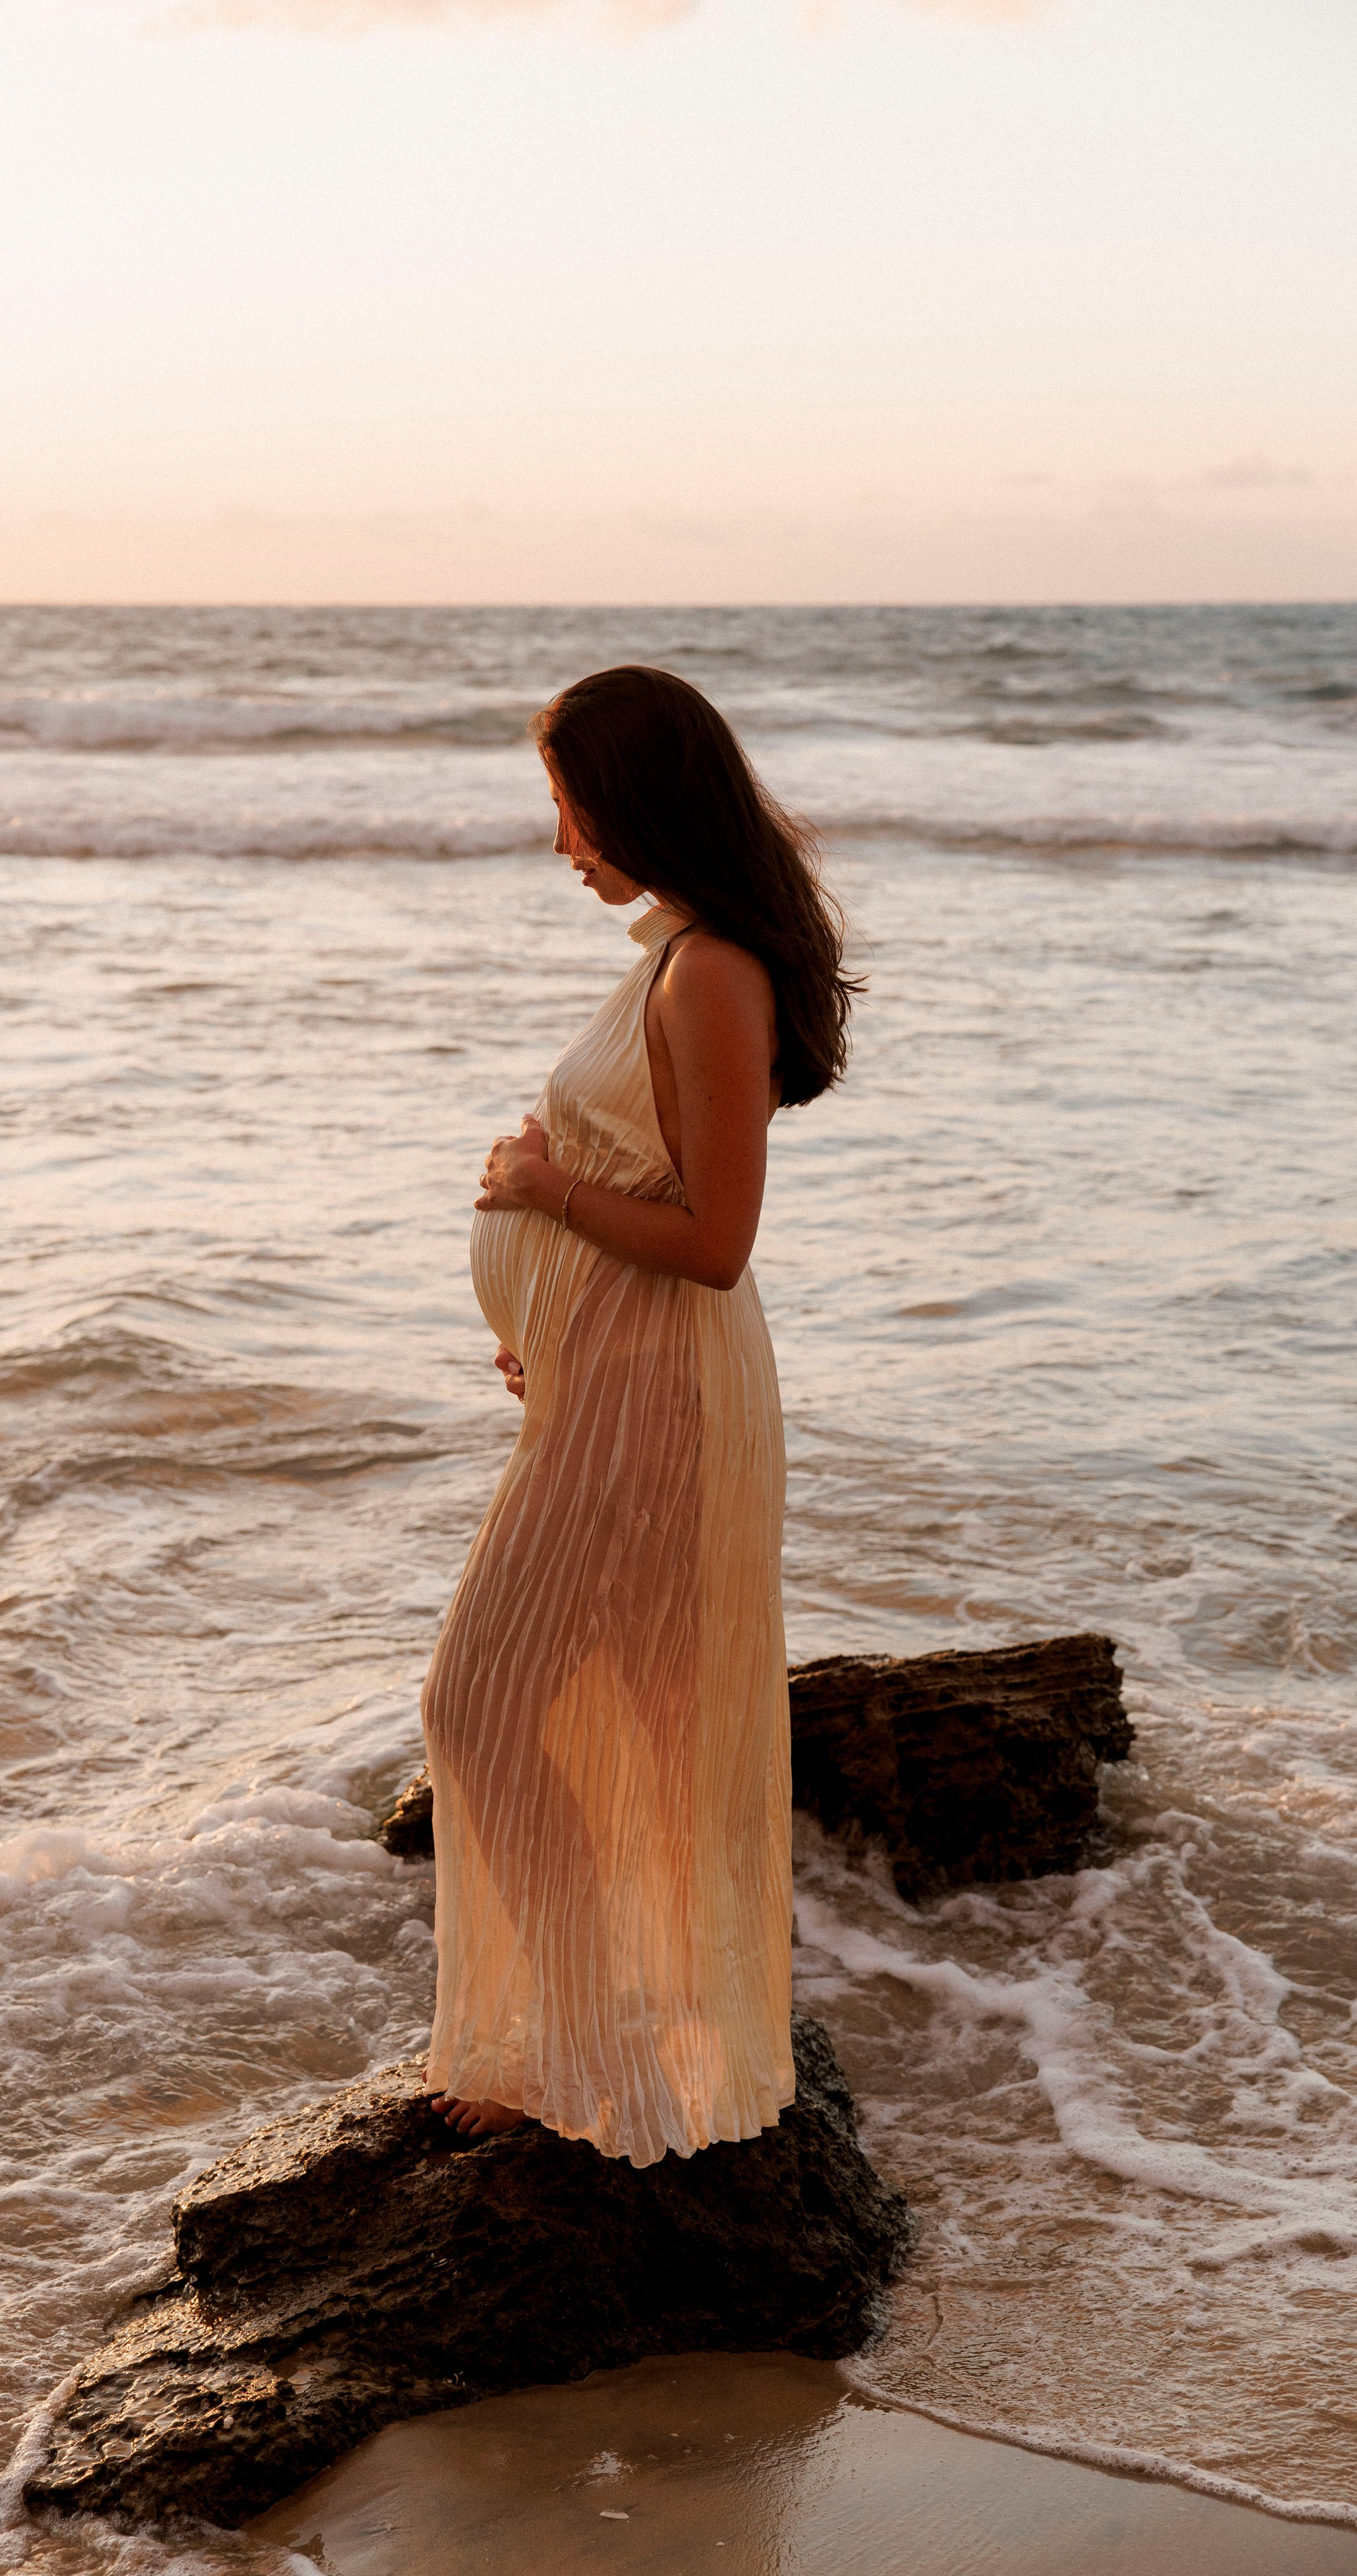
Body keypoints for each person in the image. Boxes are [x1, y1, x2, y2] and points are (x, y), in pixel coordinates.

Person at [421, 665, 857, 2167]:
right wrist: (545, 1319)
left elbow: (716, 1239)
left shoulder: (710, 973)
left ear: (636, 799)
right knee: (580, 1701)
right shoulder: (668, 956)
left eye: (568, 804)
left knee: (482, 1702)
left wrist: (544, 1192)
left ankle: (590, 2038)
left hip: (663, 1391)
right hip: (612, 1379)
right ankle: (600, 2028)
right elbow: (659, 1203)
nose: (559, 840)